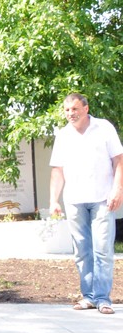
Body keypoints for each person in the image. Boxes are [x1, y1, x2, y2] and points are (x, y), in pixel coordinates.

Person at [49, 93, 123, 315]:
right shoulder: (63, 135)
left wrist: (117, 189)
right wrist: (54, 199)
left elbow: (118, 160)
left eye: (74, 109)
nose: (71, 113)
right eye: (67, 110)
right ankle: (88, 296)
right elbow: (58, 170)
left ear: (86, 108)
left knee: (102, 249)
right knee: (82, 252)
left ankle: (103, 298)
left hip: (102, 199)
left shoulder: (104, 128)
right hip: (74, 201)